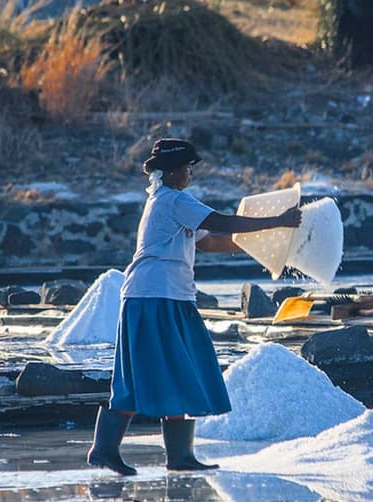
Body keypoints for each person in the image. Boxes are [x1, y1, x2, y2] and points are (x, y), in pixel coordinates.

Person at [87, 138, 301, 475]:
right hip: (153, 297)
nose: (189, 174)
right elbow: (222, 223)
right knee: (142, 374)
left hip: (171, 297)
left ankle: (180, 456)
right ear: (171, 172)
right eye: (187, 168)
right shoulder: (173, 200)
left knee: (181, 371)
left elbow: (212, 242)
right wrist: (278, 221)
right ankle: (104, 450)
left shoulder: (170, 202)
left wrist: (265, 247)